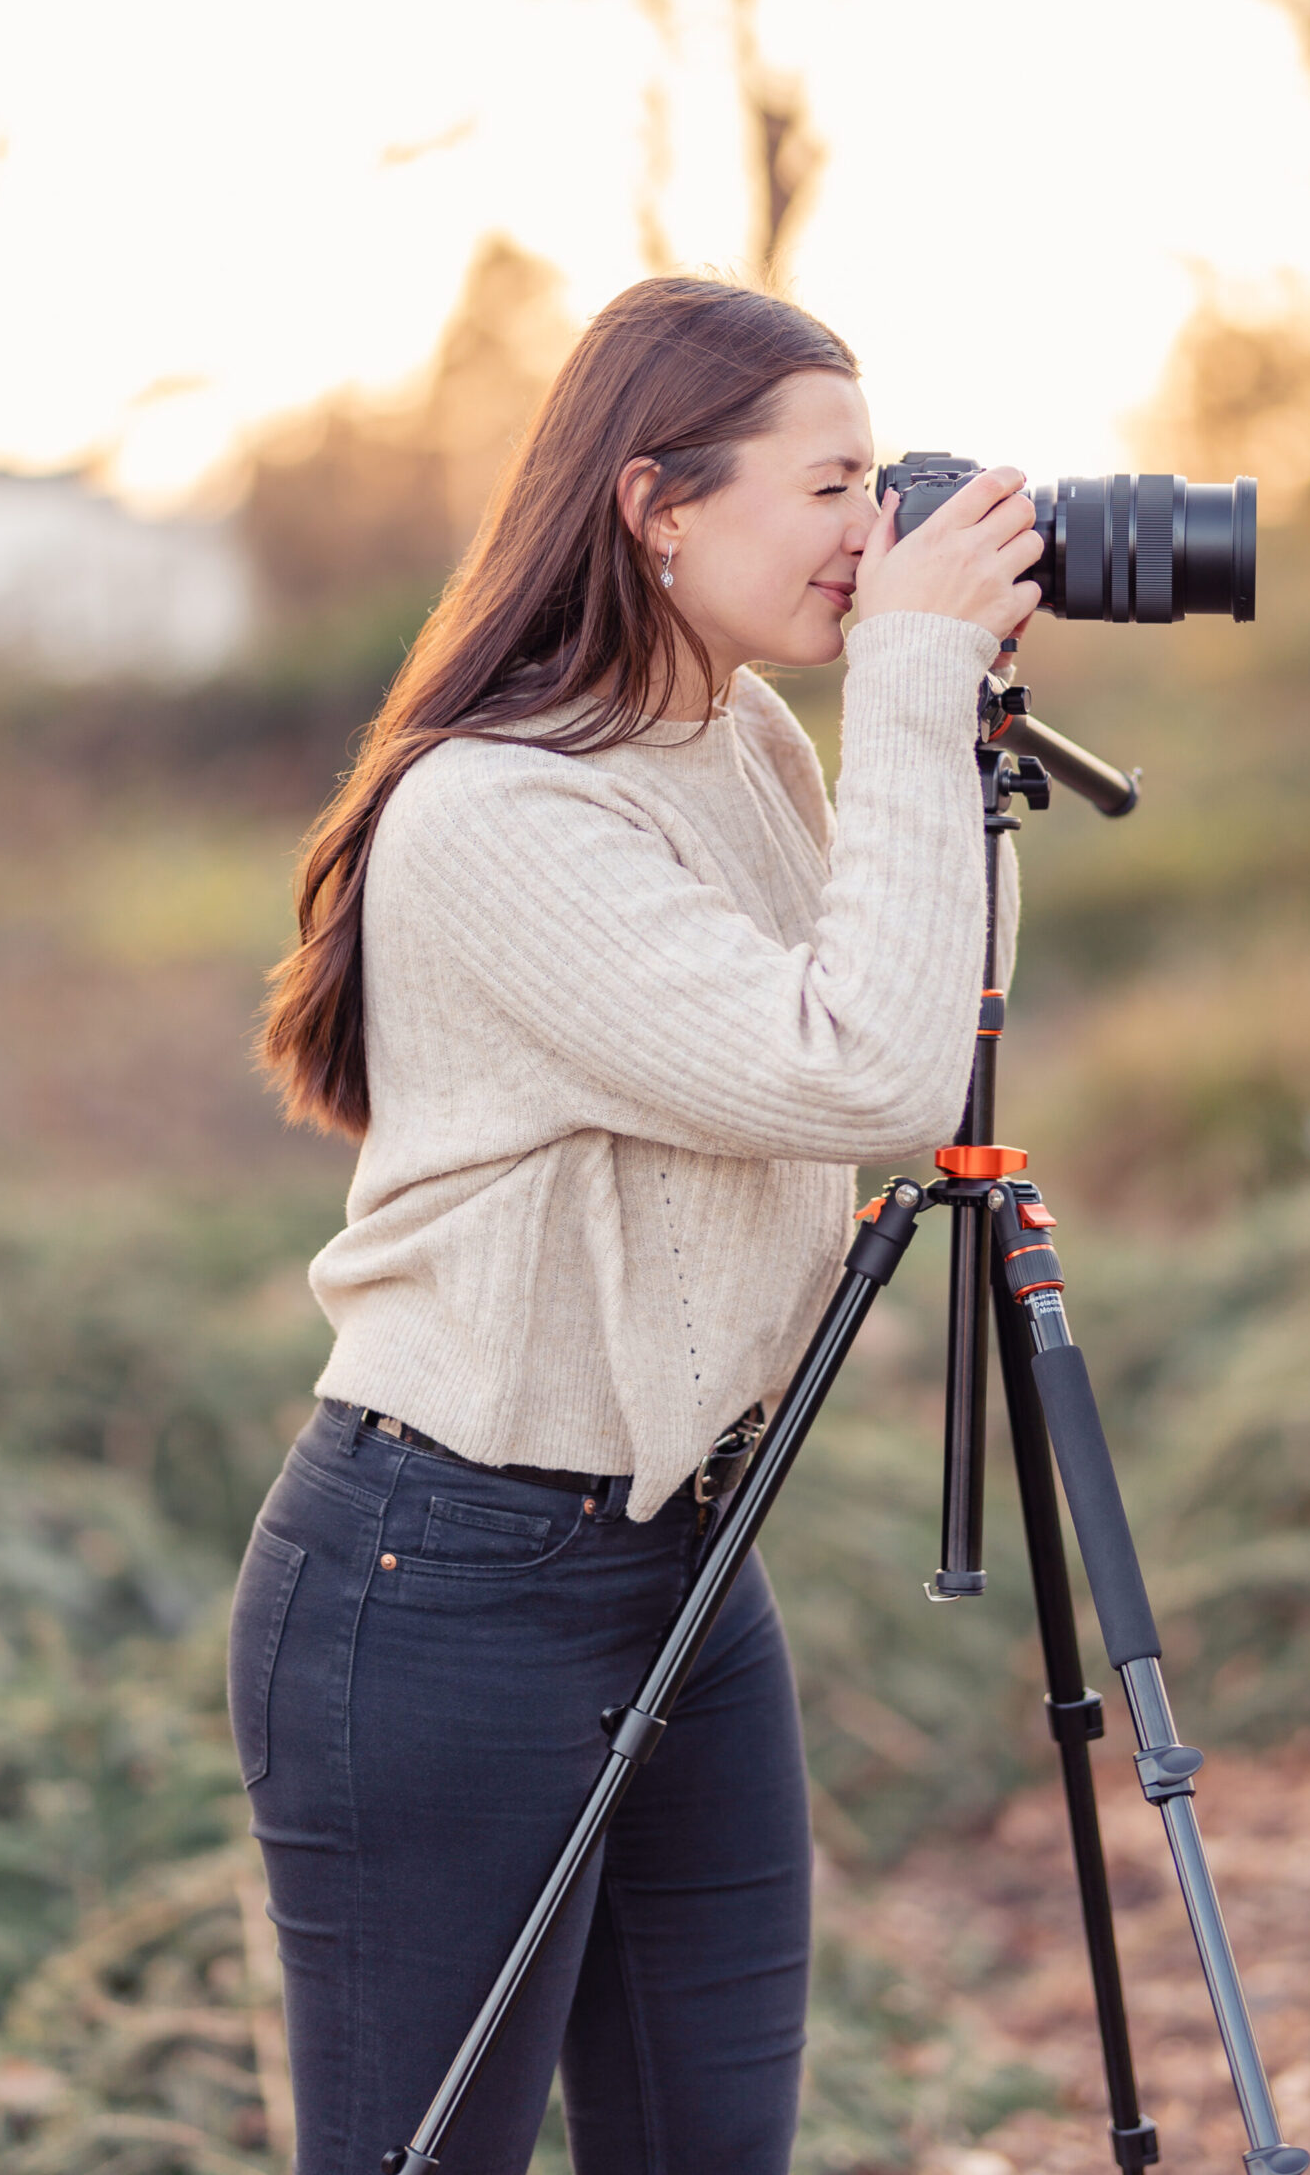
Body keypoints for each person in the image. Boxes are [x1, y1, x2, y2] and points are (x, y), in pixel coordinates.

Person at [234, 274, 1042, 2174]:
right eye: (835, 486)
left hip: (689, 1549)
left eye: (881, 485)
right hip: (443, 1588)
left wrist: (954, 727)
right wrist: (909, 698)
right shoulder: (499, 816)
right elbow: (862, 1083)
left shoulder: (747, 740)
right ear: (658, 505)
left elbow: (930, 1020)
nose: (881, 532)